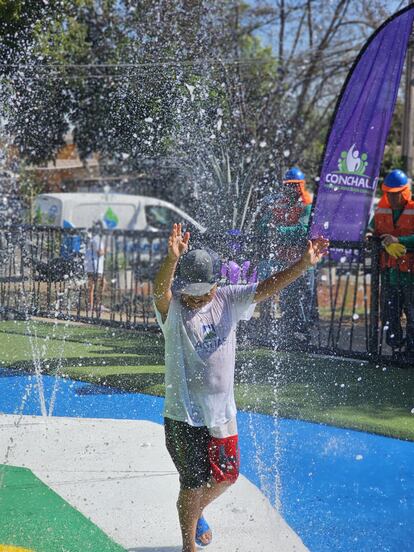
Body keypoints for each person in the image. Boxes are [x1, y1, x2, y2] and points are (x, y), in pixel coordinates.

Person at [153, 222, 328, 552]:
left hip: (222, 415)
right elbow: (158, 292)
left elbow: (266, 287)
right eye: (188, 291)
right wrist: (170, 260)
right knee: (191, 483)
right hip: (181, 415)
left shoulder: (229, 300)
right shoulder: (173, 309)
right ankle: (188, 545)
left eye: (201, 291)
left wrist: (303, 264)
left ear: (216, 286)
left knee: (227, 476)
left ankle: (196, 510)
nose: (194, 298)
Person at [255, 167, 315, 347]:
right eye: (288, 186)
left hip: (303, 262)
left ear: (301, 186)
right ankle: (291, 335)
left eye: (295, 186)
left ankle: (304, 335)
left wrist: (278, 230)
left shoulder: (308, 205)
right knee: (288, 298)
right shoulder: (278, 204)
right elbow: (262, 226)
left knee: (303, 298)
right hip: (284, 261)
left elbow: (302, 231)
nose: (291, 189)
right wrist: (269, 227)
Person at [373, 169, 414, 359]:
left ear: (405, 192)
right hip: (390, 271)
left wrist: (399, 241)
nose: (393, 197)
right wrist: (372, 237)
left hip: (410, 273)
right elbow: (373, 229)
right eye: (389, 193)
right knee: (390, 312)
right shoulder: (381, 209)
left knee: (412, 313)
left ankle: (412, 351)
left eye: (396, 193)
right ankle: (396, 347)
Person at [84, 221, 107, 314]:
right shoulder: (98, 238)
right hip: (96, 266)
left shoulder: (91, 237)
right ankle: (98, 305)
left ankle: (91, 306)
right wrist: (107, 250)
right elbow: (99, 252)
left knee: (92, 287)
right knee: (101, 284)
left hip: (90, 266)